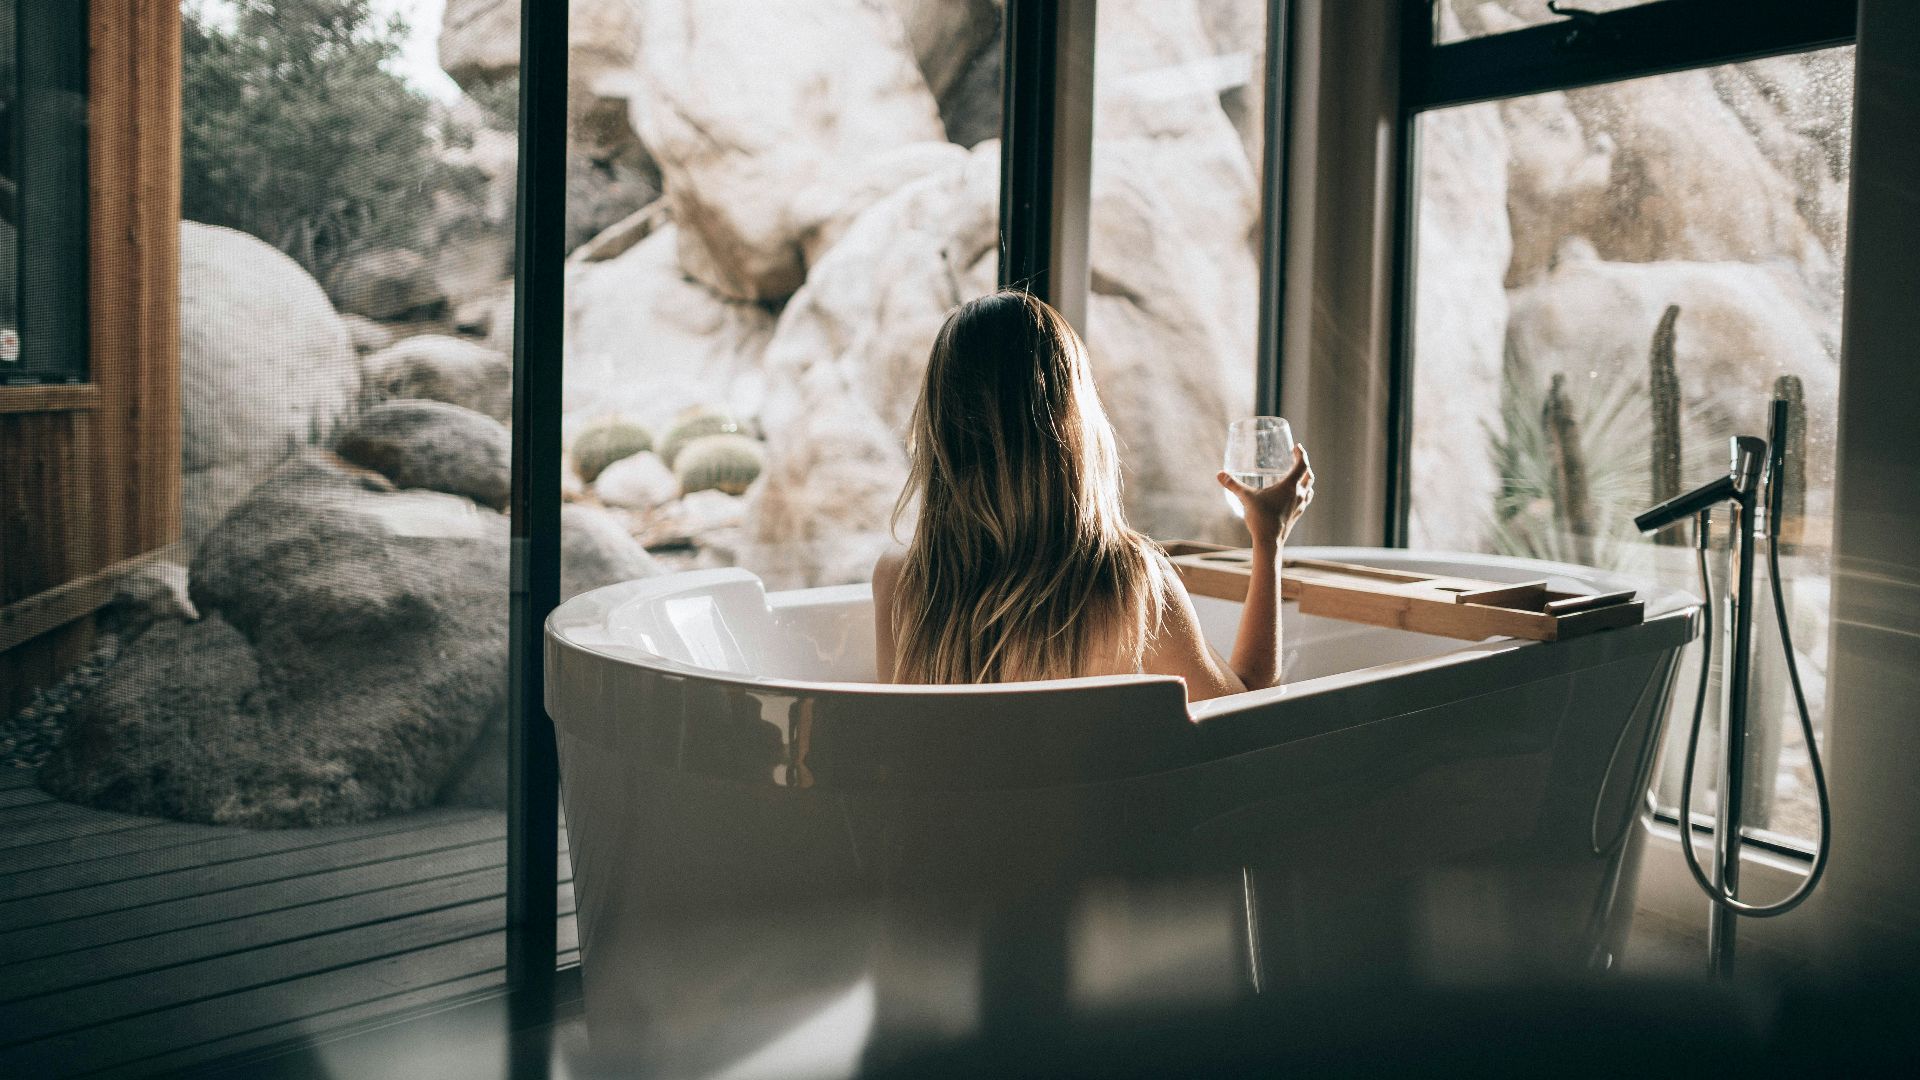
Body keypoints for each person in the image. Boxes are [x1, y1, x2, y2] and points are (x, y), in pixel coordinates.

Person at [872, 291, 1313, 701]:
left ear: (939, 431)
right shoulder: (1130, 585)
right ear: (1074, 425)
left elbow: (903, 743)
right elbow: (1244, 716)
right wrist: (1268, 540)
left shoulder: (900, 582)